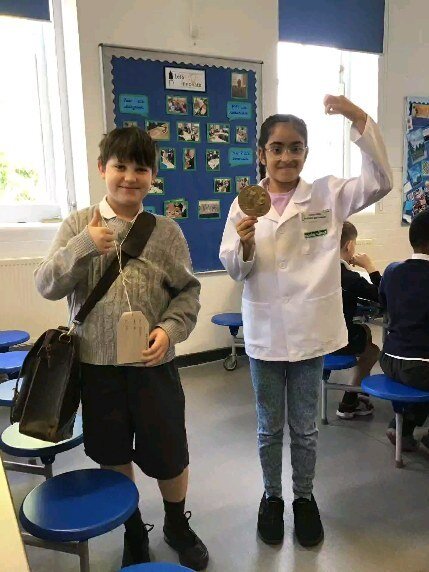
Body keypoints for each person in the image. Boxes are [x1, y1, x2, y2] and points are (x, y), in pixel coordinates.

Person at [219, 95, 392, 548]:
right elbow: (234, 267)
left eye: (295, 147)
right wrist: (245, 246)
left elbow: (381, 181)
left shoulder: (327, 195)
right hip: (265, 333)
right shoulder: (243, 206)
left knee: (305, 426)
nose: (286, 156)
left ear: (306, 152)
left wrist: (358, 118)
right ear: (262, 154)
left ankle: (304, 497)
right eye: (277, 148)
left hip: (311, 331)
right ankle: (272, 497)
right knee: (268, 426)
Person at [34, 126, 208, 571]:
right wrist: (83, 246)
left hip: (154, 366)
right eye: (120, 166)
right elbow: (47, 285)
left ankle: (176, 524)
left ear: (153, 176)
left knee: (169, 453)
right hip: (97, 368)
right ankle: (133, 529)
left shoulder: (166, 232)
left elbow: (188, 292)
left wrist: (169, 330)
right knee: (112, 453)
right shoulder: (78, 224)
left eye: (141, 168)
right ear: (102, 169)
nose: (130, 177)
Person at [379, 209, 429, 453]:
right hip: (419, 366)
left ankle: (403, 428)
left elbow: (383, 305)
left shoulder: (391, 271)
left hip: (388, 360)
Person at [335, 221, 381, 419]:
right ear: (350, 245)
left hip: (312, 336)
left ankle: (359, 392)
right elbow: (382, 295)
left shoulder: (317, 270)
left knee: (364, 331)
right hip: (337, 341)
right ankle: (348, 402)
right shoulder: (350, 278)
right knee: (373, 351)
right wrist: (370, 267)